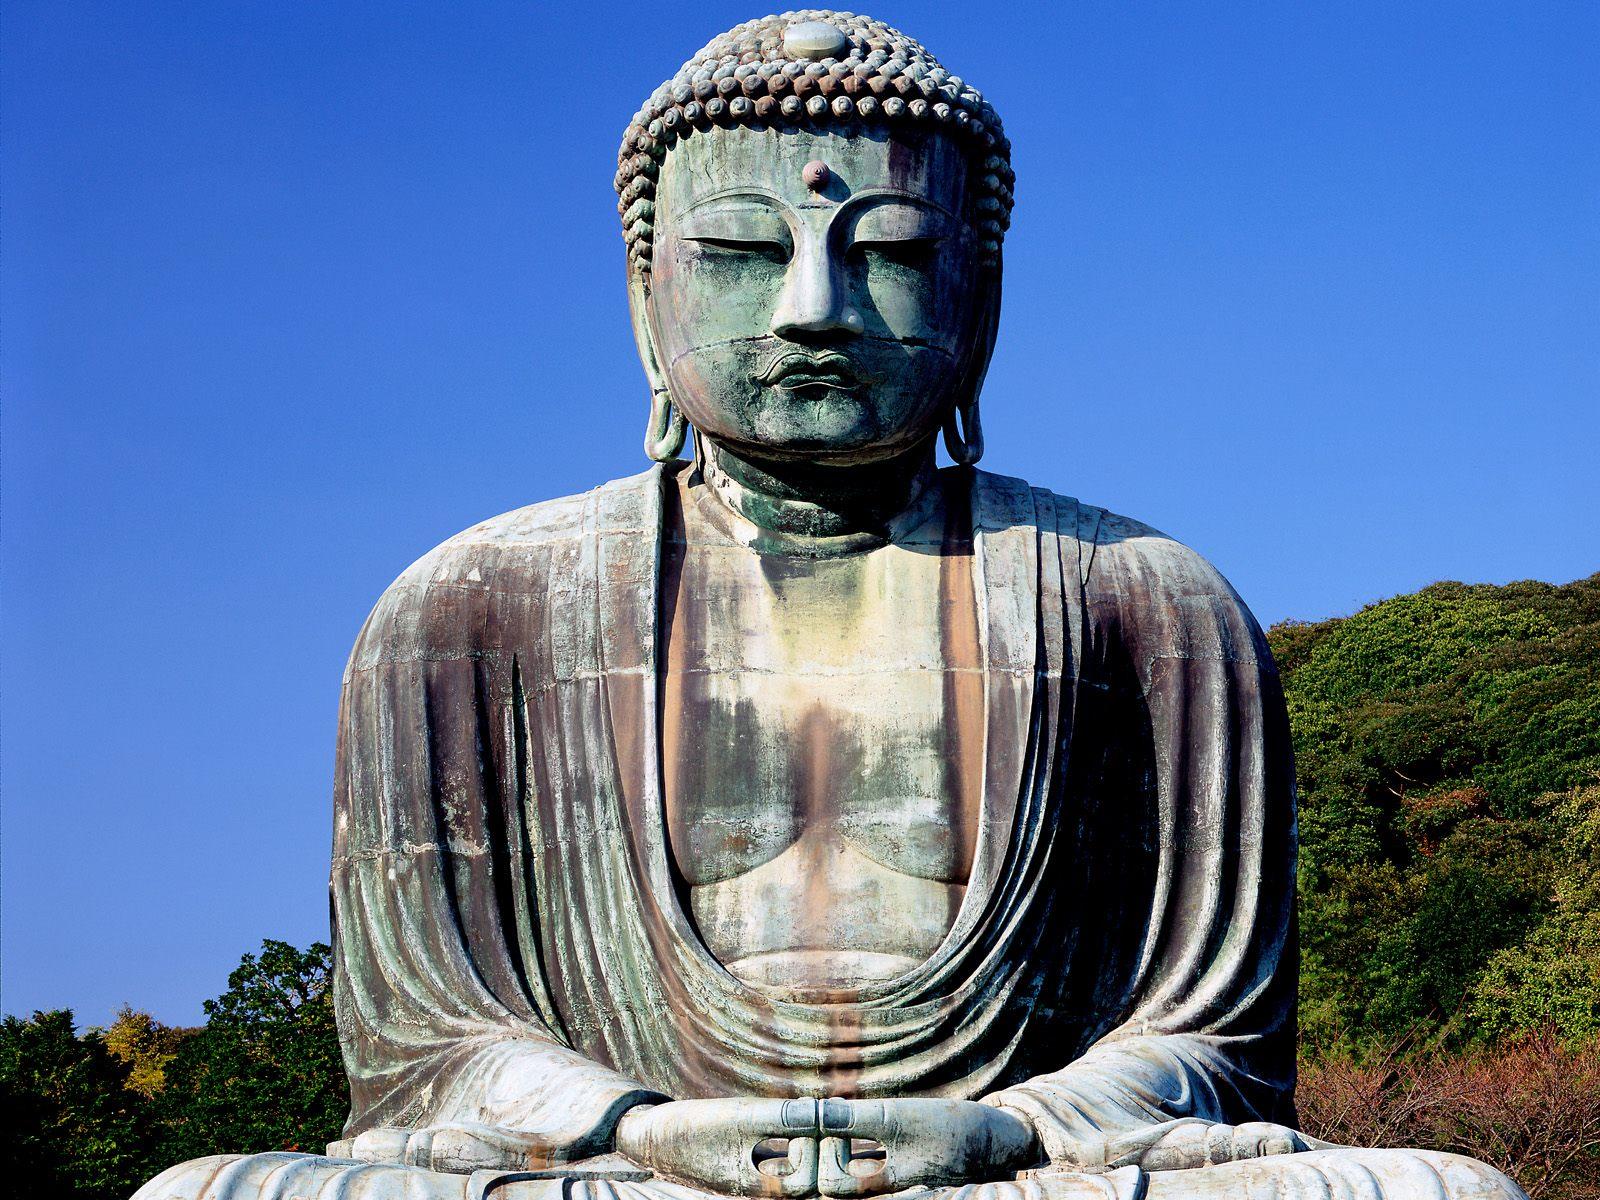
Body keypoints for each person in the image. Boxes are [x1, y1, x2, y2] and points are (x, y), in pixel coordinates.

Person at [134, 12, 1527, 1200]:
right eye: (743, 252)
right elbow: (428, 1043)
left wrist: (1009, 1124)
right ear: (644, 294)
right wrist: (646, 1127)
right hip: (630, 1170)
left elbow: (1209, 1041)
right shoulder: (470, 611)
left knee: (1444, 1190)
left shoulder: (1148, 606)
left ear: (981, 302)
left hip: (1016, 1168)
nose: (817, 307)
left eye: (895, 255)